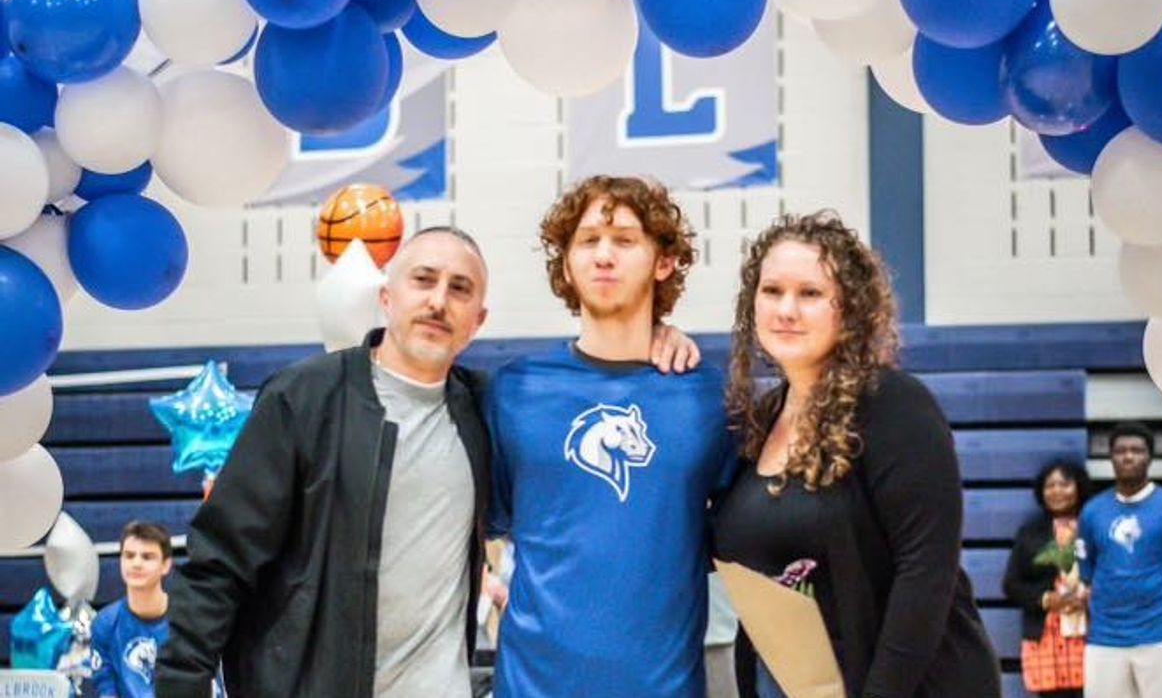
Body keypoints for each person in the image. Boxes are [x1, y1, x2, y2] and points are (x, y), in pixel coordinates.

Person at [156, 227, 493, 698]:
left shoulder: (485, 416)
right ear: (387, 297)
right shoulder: (304, 399)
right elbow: (220, 562)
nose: (439, 301)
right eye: (423, 279)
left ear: (478, 320)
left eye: (459, 288)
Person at [711, 211, 1001, 698]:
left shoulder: (893, 405)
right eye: (772, 291)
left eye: (810, 294)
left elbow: (925, 572)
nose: (786, 309)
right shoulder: (758, 423)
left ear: (848, 309)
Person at [486, 176, 733, 698]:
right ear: (567, 265)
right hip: (532, 687)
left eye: (624, 240)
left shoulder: (708, 398)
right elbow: (485, 523)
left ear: (663, 262)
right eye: (588, 241)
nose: (604, 256)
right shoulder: (515, 391)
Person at [1077, 422, 1162, 698]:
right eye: (1121, 450)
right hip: (1105, 640)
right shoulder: (1092, 512)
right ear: (1110, 457)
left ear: (1149, 457)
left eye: (1137, 450)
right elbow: (1087, 573)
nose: (1128, 456)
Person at [1004, 459, 1092, 698]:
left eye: (1064, 484)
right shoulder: (1030, 532)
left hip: (1092, 634)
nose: (1056, 491)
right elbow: (1011, 585)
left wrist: (1091, 595)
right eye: (1050, 485)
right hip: (1046, 638)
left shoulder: (1095, 526)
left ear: (1079, 487)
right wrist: (1045, 599)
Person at [92, 522, 189, 698]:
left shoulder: (189, 620)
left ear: (166, 565)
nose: (136, 563)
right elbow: (105, 689)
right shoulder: (104, 623)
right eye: (129, 556)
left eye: (147, 556)